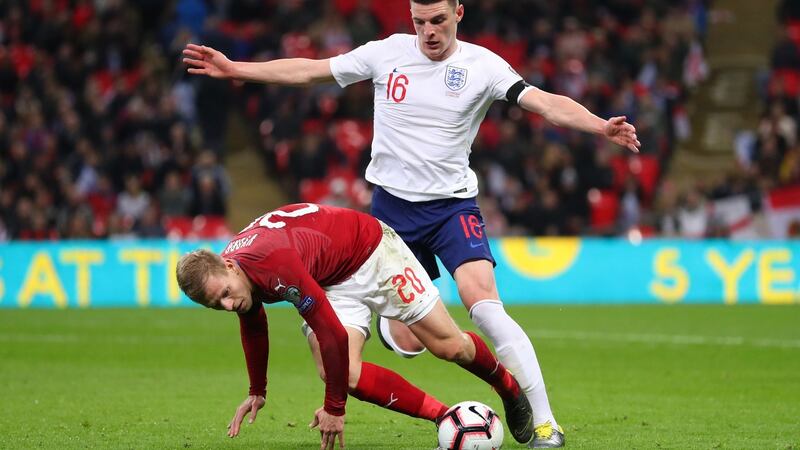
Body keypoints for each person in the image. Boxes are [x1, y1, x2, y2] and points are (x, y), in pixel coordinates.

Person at [182, 1, 641, 447]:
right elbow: (310, 70)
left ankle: (544, 423)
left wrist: (599, 126)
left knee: (483, 305)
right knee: (407, 341)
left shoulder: (484, 66)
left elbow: (544, 103)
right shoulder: (387, 52)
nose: (429, 32)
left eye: (439, 20)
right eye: (420, 21)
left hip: (451, 208)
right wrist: (237, 69)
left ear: (459, 13)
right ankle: (397, 326)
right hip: (389, 215)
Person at [175, 203, 534, 450]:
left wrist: (334, 409)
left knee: (450, 347)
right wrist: (258, 389)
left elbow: (331, 332)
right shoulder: (234, 276)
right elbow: (252, 322)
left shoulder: (272, 266)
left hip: (373, 252)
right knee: (344, 373)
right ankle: (445, 418)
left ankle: (507, 386)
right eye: (214, 304)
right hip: (328, 279)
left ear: (229, 265)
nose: (227, 304)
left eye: (223, 294)